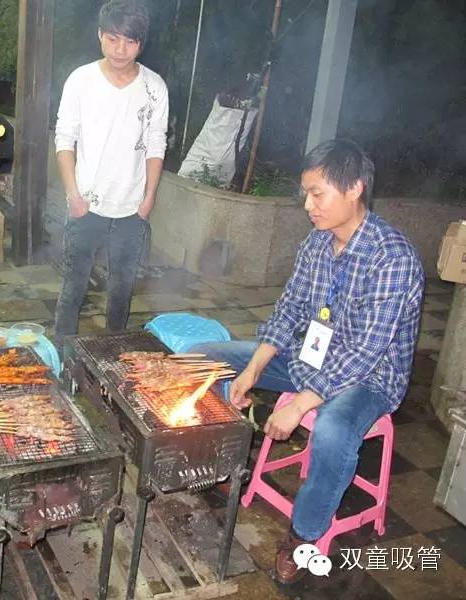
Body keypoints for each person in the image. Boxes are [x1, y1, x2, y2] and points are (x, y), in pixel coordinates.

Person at [192, 139, 425, 584]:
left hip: (370, 378)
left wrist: (299, 405)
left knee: (334, 431)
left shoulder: (392, 257)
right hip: (311, 359)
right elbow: (289, 312)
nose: (307, 205)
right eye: (306, 194)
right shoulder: (317, 243)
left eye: (318, 194)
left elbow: (365, 352)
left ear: (354, 188)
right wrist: (252, 370)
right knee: (206, 357)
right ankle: (226, 463)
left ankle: (303, 535)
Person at [53, 0, 168, 347]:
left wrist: (148, 199)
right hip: (86, 203)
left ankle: (112, 355)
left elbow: (156, 144)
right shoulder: (81, 80)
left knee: (122, 290)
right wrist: (73, 195)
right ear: (100, 35)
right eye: (113, 39)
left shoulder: (154, 87)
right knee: (73, 288)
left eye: (130, 41)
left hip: (131, 209)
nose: (121, 50)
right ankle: (64, 356)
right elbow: (64, 138)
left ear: (141, 43)